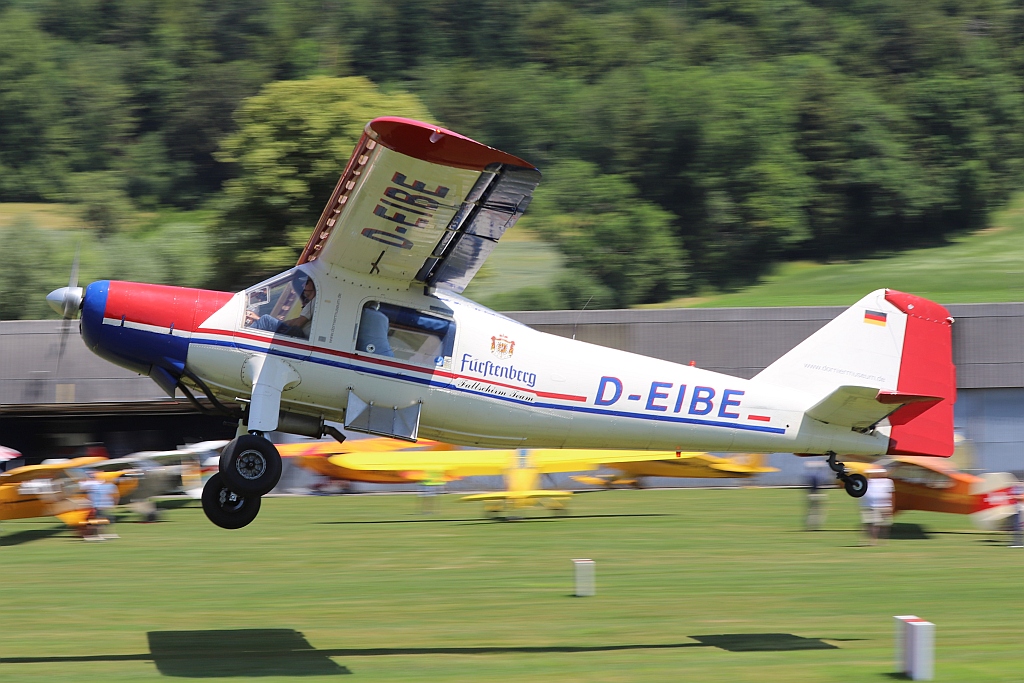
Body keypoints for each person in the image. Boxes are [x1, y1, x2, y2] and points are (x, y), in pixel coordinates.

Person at [246, 277, 316, 338]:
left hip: (299, 335)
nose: (303, 285)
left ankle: (244, 336)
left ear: (314, 285)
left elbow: (299, 323)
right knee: (266, 321)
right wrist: (281, 323)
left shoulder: (314, 302)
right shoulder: (311, 303)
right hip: (299, 333)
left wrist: (279, 325)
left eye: (306, 283)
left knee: (265, 320)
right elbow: (298, 320)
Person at [860, 468, 893, 546]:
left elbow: (891, 494)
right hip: (869, 505)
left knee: (885, 525)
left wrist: (891, 505)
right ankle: (872, 541)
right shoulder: (866, 481)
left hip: (884, 505)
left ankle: (884, 541)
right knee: (871, 525)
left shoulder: (887, 482)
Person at [83, 472, 120, 540]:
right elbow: (115, 496)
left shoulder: (95, 486)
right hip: (100, 505)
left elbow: (90, 496)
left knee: (103, 520)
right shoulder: (100, 486)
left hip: (101, 505)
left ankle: (99, 534)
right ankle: (94, 535)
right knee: (98, 521)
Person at [804, 459, 828, 531]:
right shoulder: (820, 476)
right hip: (817, 494)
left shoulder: (810, 476)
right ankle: (816, 525)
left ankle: (809, 525)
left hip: (811, 494)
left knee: (810, 511)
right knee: (818, 511)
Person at [1010, 483, 1024, 548]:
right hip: (1018, 510)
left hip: (1022, 510)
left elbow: (1022, 497)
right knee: (1017, 527)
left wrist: (1014, 497)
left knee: (1020, 527)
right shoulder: (1018, 488)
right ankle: (1017, 542)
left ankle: (1018, 543)